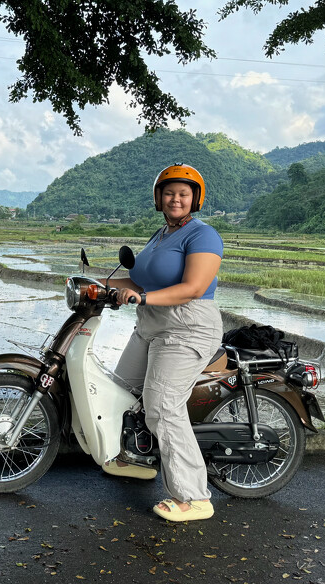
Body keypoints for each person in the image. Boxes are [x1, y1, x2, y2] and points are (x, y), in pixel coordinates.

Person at [102, 163, 224, 522]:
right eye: (169, 193)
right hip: (151, 323)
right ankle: (138, 459)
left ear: (194, 199)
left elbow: (193, 288)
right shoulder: (160, 235)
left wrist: (143, 299)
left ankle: (194, 496)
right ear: (159, 198)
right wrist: (93, 283)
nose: (176, 199)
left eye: (183, 194)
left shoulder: (203, 235)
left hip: (188, 326)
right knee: (122, 389)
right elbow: (139, 283)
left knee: (162, 405)